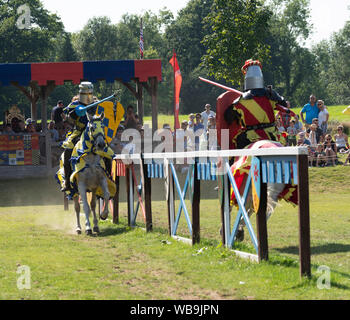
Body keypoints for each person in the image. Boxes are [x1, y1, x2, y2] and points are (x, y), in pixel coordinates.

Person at [224, 59, 293, 149]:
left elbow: (227, 117)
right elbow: (284, 104)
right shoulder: (271, 94)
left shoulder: (240, 101)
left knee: (238, 144)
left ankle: (234, 162)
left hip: (251, 136)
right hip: (271, 134)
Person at [60, 81, 96, 192]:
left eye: (89, 92)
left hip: (93, 131)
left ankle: (108, 175)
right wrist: (74, 114)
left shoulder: (97, 103)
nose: (87, 94)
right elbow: (67, 118)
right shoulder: (74, 105)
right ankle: (67, 181)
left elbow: (102, 117)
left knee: (106, 149)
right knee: (68, 151)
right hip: (79, 132)